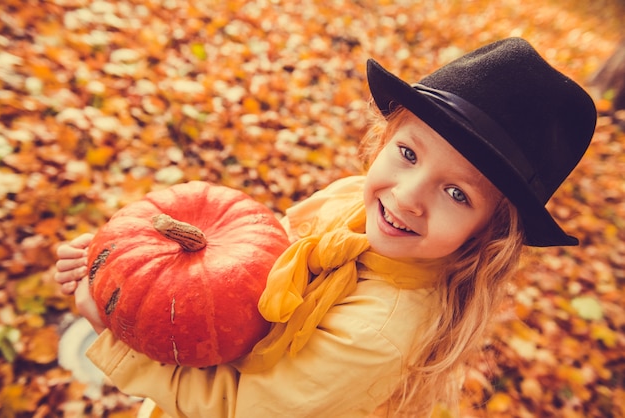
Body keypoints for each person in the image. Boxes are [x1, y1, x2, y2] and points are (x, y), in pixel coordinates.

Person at [55, 38, 597, 417]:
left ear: (489, 233)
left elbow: (240, 407)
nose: (407, 198)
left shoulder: (379, 331)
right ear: (383, 141)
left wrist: (112, 338)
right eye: (408, 153)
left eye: (457, 193)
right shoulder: (349, 202)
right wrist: (125, 274)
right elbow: (253, 266)